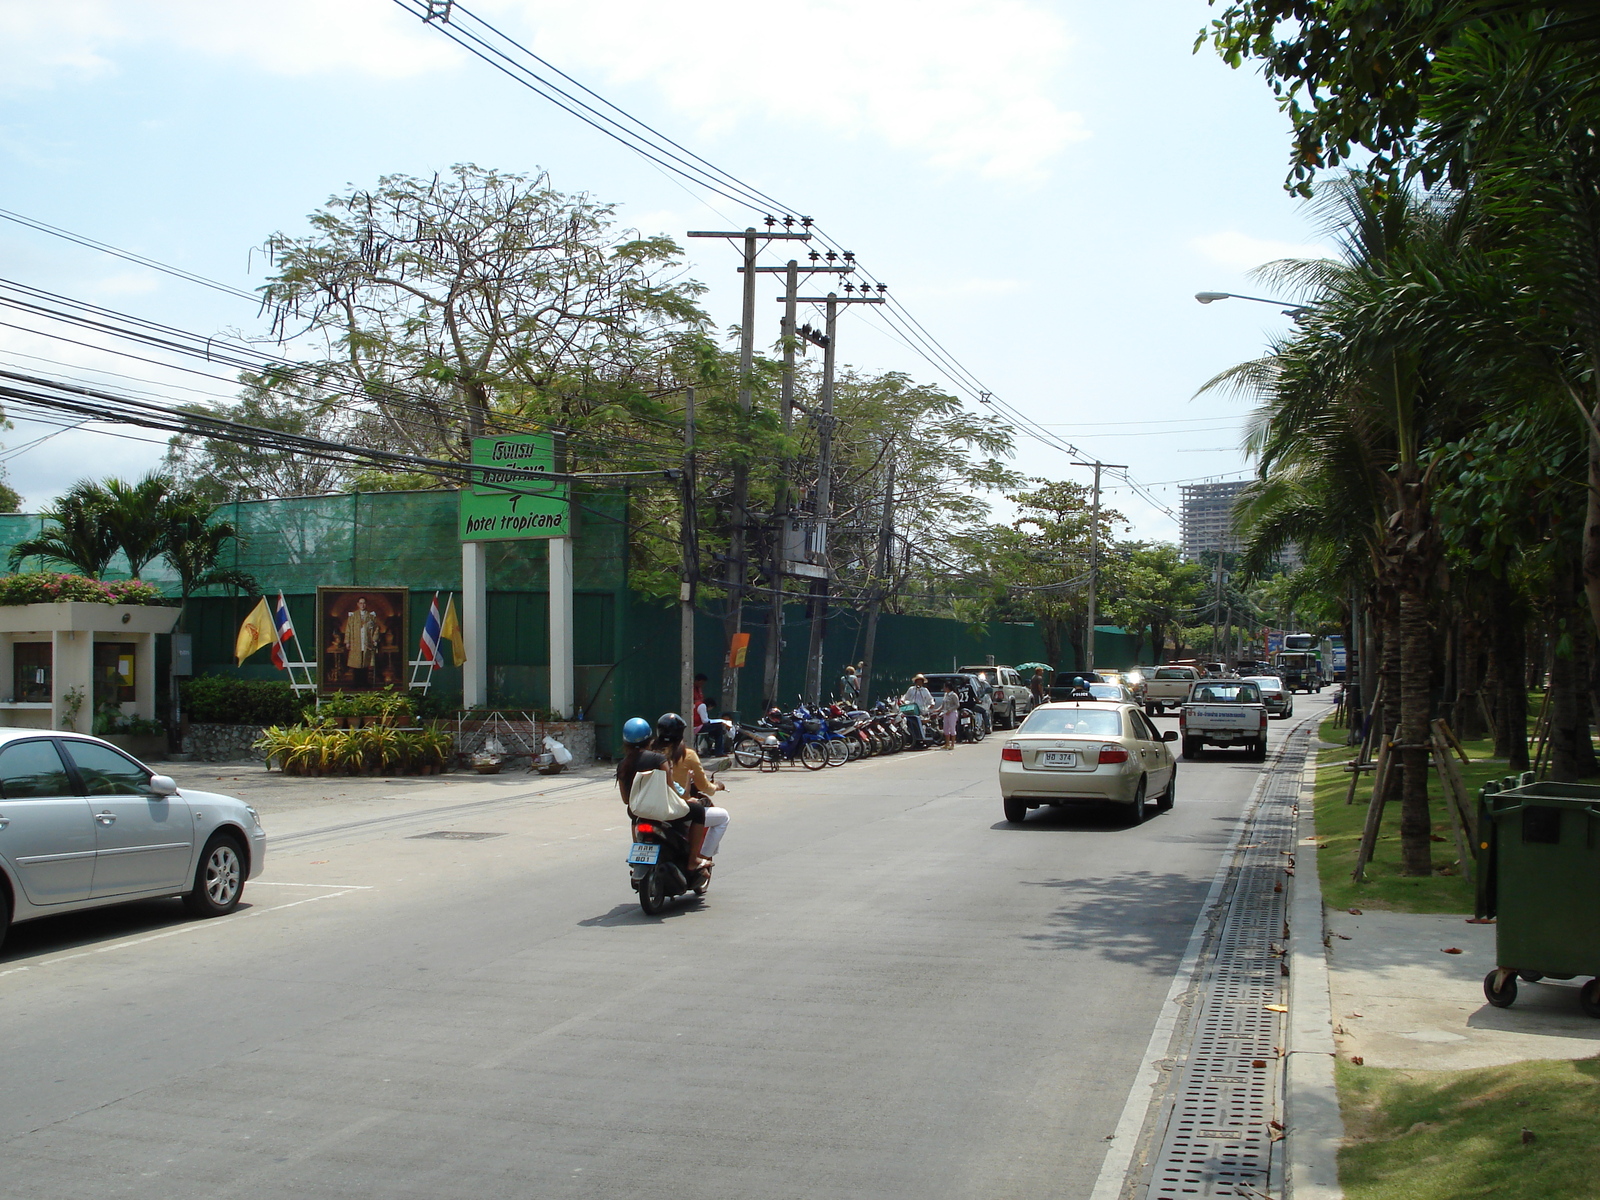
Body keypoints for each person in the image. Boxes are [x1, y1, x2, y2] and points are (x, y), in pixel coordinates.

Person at [651, 712, 729, 870]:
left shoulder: (649, 754)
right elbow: (703, 787)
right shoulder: (687, 755)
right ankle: (700, 859)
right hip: (675, 809)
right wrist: (717, 786)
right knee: (722, 817)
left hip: (651, 808)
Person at [901, 674, 934, 748]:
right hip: (912, 710)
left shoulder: (925, 690)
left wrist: (932, 704)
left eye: (920, 681)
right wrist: (903, 701)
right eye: (918, 681)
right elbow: (905, 697)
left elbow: (930, 699)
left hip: (922, 710)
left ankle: (922, 739)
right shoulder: (911, 689)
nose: (919, 683)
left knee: (921, 725)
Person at [937, 682, 961, 750]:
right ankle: (947, 743)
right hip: (945, 713)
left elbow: (957, 705)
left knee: (952, 728)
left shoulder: (954, 695)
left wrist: (949, 710)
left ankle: (952, 744)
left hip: (952, 713)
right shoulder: (946, 695)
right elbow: (943, 705)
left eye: (945, 687)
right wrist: (938, 710)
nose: (944, 688)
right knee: (945, 728)